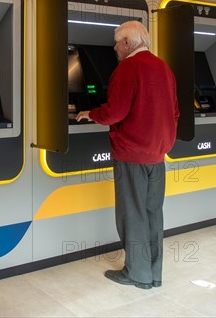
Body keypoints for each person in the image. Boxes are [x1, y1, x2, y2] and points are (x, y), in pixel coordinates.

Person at [76, 21, 179, 290]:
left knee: (131, 214)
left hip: (132, 153)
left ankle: (137, 273)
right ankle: (154, 274)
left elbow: (116, 112)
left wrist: (91, 114)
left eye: (116, 42)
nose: (114, 48)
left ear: (127, 43)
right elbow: (175, 113)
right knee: (152, 213)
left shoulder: (128, 68)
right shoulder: (163, 67)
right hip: (157, 156)